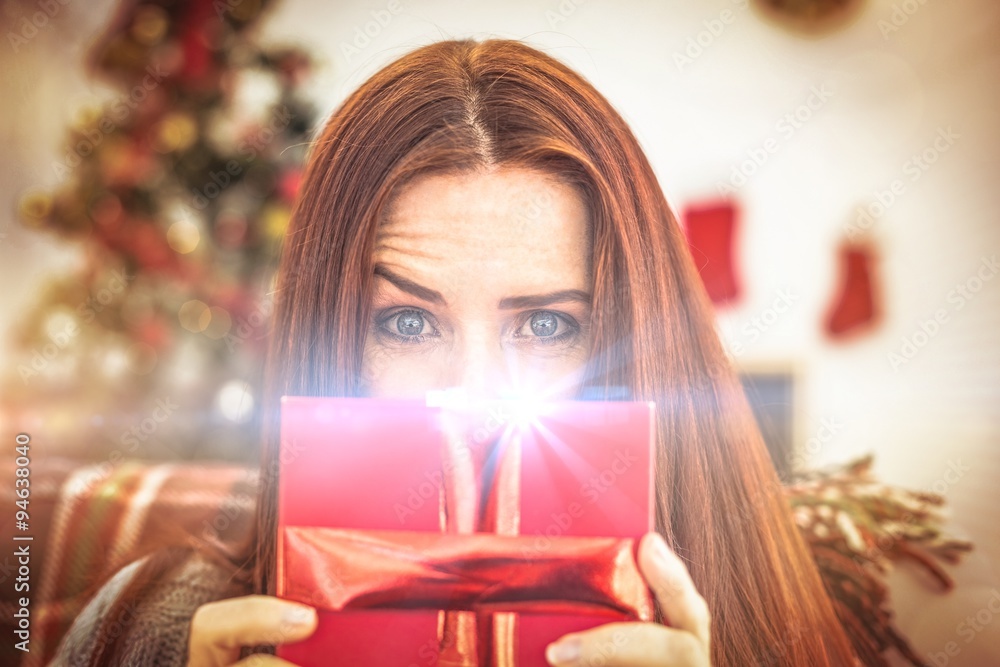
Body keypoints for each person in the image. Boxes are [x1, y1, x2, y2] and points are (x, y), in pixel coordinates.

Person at [49, 38, 860, 666]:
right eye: (406, 323)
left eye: (546, 326)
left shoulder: (765, 624)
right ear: (328, 339)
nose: (471, 395)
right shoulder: (148, 625)